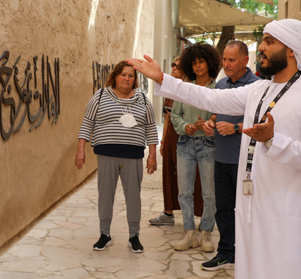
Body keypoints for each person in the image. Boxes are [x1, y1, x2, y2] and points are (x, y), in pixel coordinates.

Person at [128, 18, 301, 279]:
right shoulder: (260, 89)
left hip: (286, 212)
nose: (261, 47)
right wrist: (163, 78)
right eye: (263, 40)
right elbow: (210, 96)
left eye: (270, 42)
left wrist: (274, 140)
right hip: (252, 206)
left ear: (292, 50)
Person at [75, 60, 158, 253]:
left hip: (133, 155)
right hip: (106, 154)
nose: (127, 78)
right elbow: (87, 122)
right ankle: (105, 235)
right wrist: (80, 149)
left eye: (131, 75)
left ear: (134, 79)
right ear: (115, 76)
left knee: (133, 197)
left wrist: (152, 155)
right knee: (105, 195)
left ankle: (134, 236)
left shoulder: (143, 100)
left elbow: (151, 128)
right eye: (123, 74)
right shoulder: (101, 96)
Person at [201, 40, 260, 270]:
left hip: (245, 162)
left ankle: (248, 254)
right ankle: (226, 252)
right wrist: (210, 122)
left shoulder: (257, 86)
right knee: (223, 208)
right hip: (221, 158)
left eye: (231, 60)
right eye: (224, 59)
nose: (226, 64)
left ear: (245, 61)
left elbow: (262, 122)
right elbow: (216, 113)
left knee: (246, 209)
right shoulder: (221, 84)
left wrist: (235, 128)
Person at [169, 43, 220, 252]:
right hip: (185, 144)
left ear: (209, 63)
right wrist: (186, 126)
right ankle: (189, 232)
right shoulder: (185, 88)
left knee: (210, 194)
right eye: (194, 62)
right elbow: (175, 115)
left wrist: (210, 123)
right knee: (184, 193)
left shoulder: (218, 89)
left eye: (201, 61)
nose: (198, 66)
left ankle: (206, 232)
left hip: (209, 145)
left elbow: (222, 113)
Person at [149, 57, 204, 226]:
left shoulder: (191, 89)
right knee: (169, 172)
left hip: (189, 134)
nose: (173, 68)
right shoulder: (170, 89)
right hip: (172, 134)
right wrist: (163, 141)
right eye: (172, 65)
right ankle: (168, 212)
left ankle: (201, 215)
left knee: (193, 175)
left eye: (178, 66)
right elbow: (167, 117)